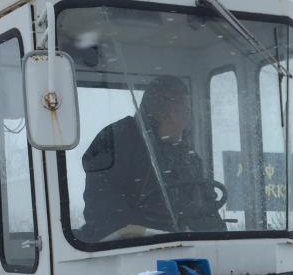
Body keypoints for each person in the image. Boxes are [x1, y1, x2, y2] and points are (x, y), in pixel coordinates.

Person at [78, 76, 225, 241]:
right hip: (129, 251)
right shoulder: (116, 140)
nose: (187, 119)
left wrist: (219, 237)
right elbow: (105, 214)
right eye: (184, 111)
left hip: (185, 248)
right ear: (162, 111)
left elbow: (205, 207)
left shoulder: (186, 155)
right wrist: (154, 230)